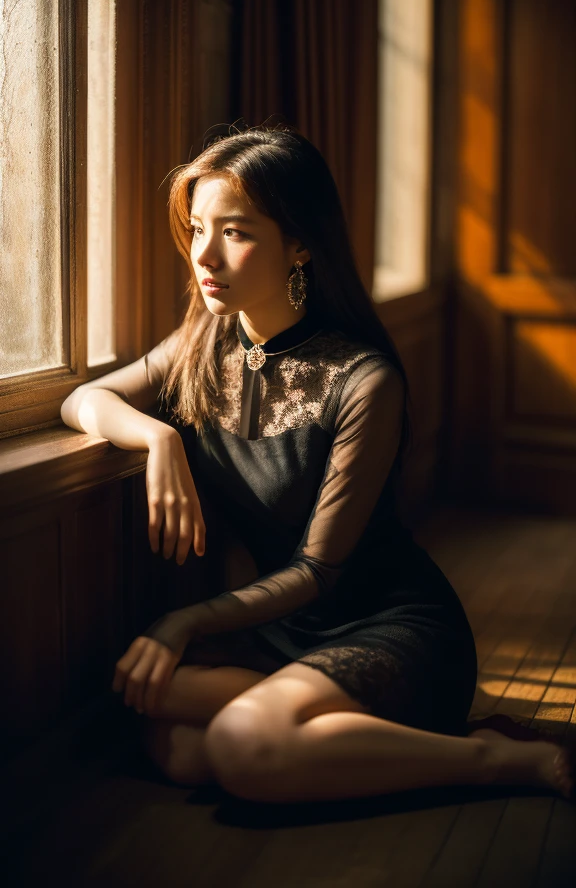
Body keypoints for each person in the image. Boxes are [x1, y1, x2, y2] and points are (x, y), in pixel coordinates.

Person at [61, 125, 574, 804]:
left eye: (235, 233)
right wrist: (160, 440)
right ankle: (298, 736)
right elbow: (83, 399)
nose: (204, 255)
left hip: (387, 625)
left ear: (300, 244)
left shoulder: (364, 380)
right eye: (198, 229)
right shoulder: (200, 344)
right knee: (170, 734)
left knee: (237, 743)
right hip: (280, 629)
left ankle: (501, 760)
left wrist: (185, 620)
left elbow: (317, 572)